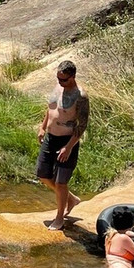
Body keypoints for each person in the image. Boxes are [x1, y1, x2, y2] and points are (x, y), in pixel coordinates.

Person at [36, 60, 89, 230]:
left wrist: (69, 147)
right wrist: (42, 127)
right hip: (50, 138)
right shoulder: (57, 87)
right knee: (43, 175)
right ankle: (71, 199)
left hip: (66, 142)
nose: (60, 82)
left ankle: (60, 217)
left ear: (73, 77)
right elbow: (50, 109)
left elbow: (82, 125)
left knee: (60, 182)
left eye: (64, 80)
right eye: (58, 78)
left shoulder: (80, 96)